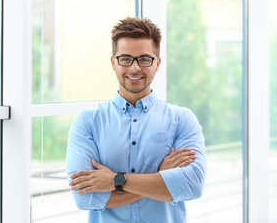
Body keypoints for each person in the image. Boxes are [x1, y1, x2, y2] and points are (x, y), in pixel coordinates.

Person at [66, 17, 206, 223]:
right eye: (125, 59)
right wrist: (160, 176)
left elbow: (192, 184)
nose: (134, 68)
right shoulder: (88, 122)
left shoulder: (182, 120)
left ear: (157, 63)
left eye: (144, 59)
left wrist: (116, 180)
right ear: (113, 62)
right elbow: (85, 198)